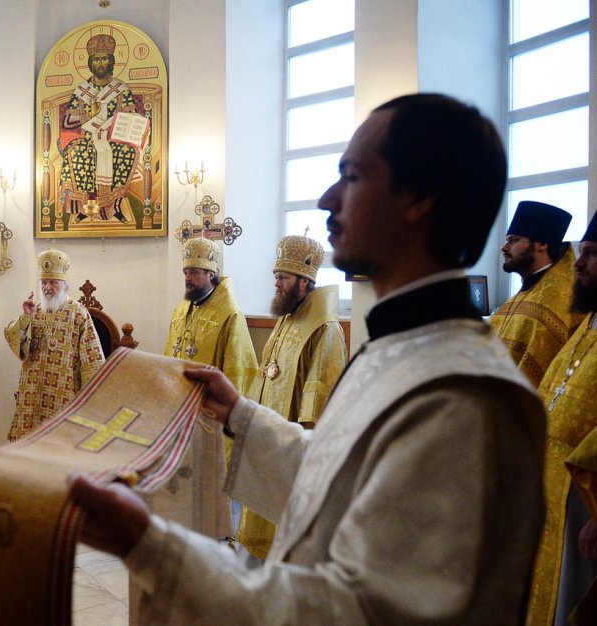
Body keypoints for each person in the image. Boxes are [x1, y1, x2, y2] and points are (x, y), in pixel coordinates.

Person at [70, 93, 547, 624]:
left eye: (352, 176)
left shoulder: (465, 399)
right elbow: (341, 481)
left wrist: (149, 545)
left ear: (419, 198)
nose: (327, 198)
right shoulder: (404, 348)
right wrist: (240, 416)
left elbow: (358, 609)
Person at [235, 234, 347, 559]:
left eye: (283, 278)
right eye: (276, 278)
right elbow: (265, 375)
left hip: (293, 452)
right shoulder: (285, 320)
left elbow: (320, 395)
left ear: (304, 281)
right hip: (269, 443)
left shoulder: (326, 329)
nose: (277, 285)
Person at [161, 236, 259, 538]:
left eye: (194, 272)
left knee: (215, 494)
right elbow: (169, 358)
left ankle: (219, 545)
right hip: (179, 416)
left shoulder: (230, 315)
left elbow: (239, 373)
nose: (187, 278)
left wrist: (227, 420)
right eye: (185, 272)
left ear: (211, 275)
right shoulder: (181, 311)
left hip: (210, 420)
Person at [527, 212, 597, 626]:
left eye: (590, 254)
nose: (580, 263)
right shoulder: (587, 323)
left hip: (587, 496)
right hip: (556, 489)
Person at [4, 249, 105, 441]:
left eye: (53, 282)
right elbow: (13, 339)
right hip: (33, 391)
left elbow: (92, 359)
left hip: (64, 392)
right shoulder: (34, 310)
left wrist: (89, 401)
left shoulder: (78, 313)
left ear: (64, 285)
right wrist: (25, 317)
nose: (47, 288)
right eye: (44, 283)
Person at [489, 201, 584, 386]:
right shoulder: (520, 297)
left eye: (513, 240)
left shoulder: (560, 299)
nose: (504, 247)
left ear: (541, 244)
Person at [58, 33, 138, 224]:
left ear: (111, 62)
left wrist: (129, 121)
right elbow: (67, 122)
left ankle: (114, 206)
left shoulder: (121, 89)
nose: (100, 63)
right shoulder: (82, 91)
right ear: (90, 63)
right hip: (88, 138)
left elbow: (132, 116)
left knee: (127, 152)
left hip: (112, 138)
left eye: (104, 59)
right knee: (78, 153)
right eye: (96, 59)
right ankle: (86, 208)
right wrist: (89, 115)